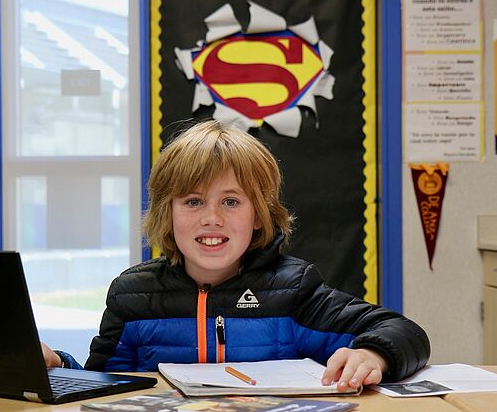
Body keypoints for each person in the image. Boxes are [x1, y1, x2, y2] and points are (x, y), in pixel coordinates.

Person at [43, 120, 430, 390]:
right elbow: (103, 385)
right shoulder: (132, 295)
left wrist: (374, 356)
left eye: (231, 201)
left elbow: (406, 334)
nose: (212, 218)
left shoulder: (292, 290)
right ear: (168, 213)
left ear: (260, 216)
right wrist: (60, 366)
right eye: (193, 201)